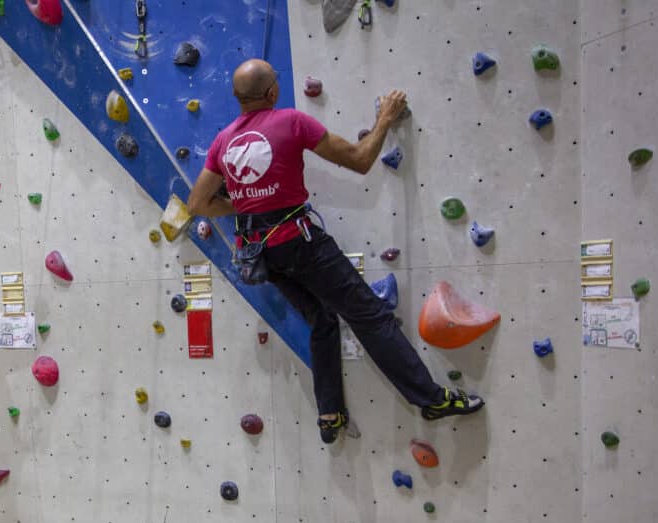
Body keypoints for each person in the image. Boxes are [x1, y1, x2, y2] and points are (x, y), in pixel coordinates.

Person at [187, 59, 484, 445]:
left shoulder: (223, 141)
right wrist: (386, 119)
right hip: (301, 243)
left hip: (263, 255)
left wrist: (245, 207)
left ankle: (329, 413)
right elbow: (360, 161)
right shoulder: (291, 121)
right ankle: (430, 399)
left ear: (238, 98)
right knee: (371, 316)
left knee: (323, 319)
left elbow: (197, 204)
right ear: (272, 93)